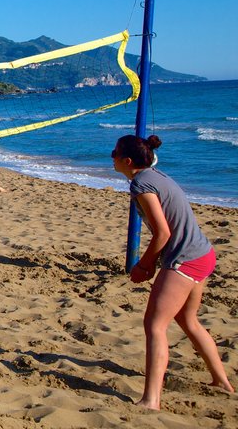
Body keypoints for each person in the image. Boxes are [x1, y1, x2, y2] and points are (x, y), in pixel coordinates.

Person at [112, 134, 233, 409]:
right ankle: (222, 382)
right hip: (203, 254)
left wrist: (145, 265)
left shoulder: (142, 184)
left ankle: (151, 400)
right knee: (188, 320)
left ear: (127, 161)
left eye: (114, 152)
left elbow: (163, 233)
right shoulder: (156, 175)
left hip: (185, 259)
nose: (111, 156)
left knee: (154, 325)